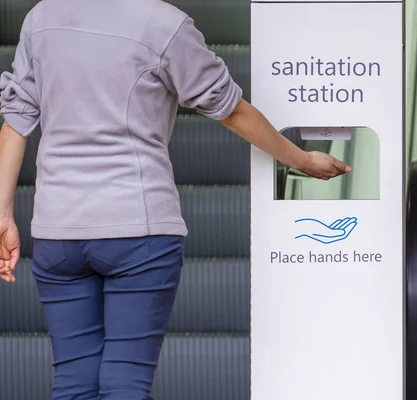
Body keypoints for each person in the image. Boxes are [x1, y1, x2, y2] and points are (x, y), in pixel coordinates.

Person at [0, 0, 351, 398]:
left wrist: (3, 216)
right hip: (139, 228)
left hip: (57, 232)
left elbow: (15, 122)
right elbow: (231, 111)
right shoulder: (162, 23)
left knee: (73, 384)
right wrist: (302, 159)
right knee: (125, 383)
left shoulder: (42, 17)